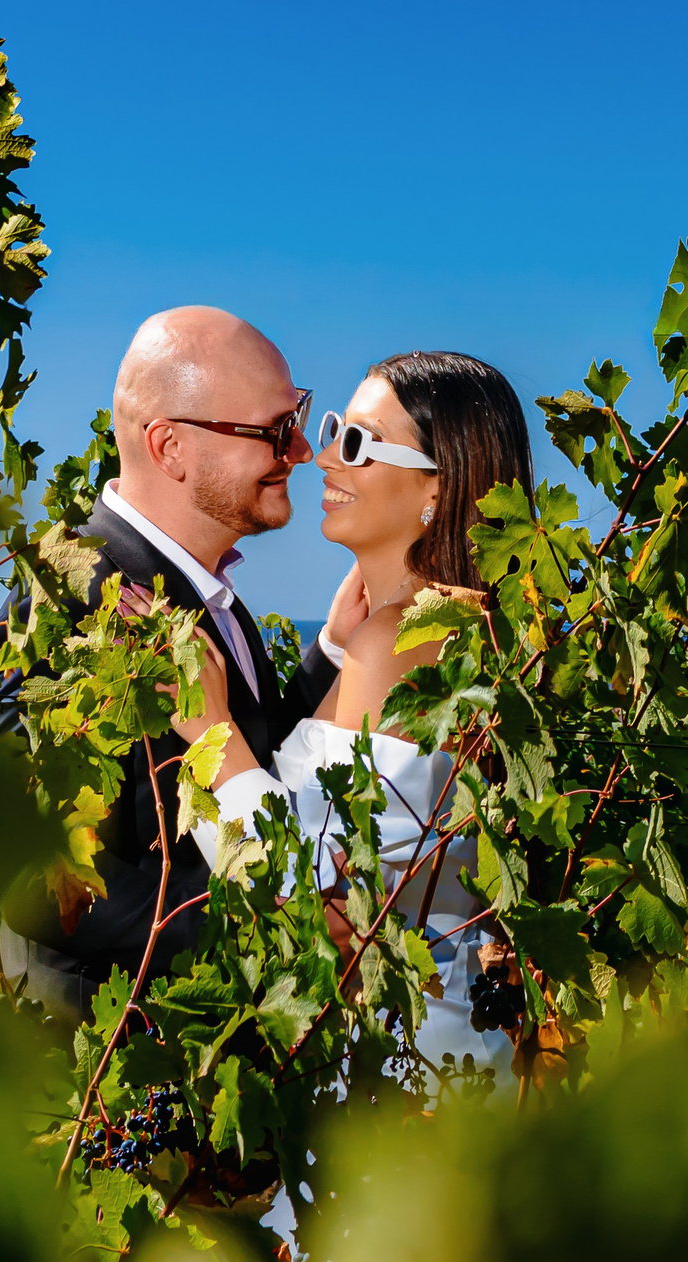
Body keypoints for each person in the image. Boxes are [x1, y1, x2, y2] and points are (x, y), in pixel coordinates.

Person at [178, 350, 534, 1083]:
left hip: (384, 1064)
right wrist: (334, 650)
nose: (324, 461)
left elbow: (317, 895)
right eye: (337, 428)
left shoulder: (397, 643)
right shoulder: (468, 634)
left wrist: (213, 734)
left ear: (438, 487)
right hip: (439, 1044)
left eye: (357, 444)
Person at [0, 307, 346, 1022]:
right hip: (107, 1069)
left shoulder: (207, 594)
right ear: (171, 447)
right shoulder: (77, 595)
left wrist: (327, 657)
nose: (301, 451)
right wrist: (263, 923)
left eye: (298, 416)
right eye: (275, 430)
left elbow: (246, 759)